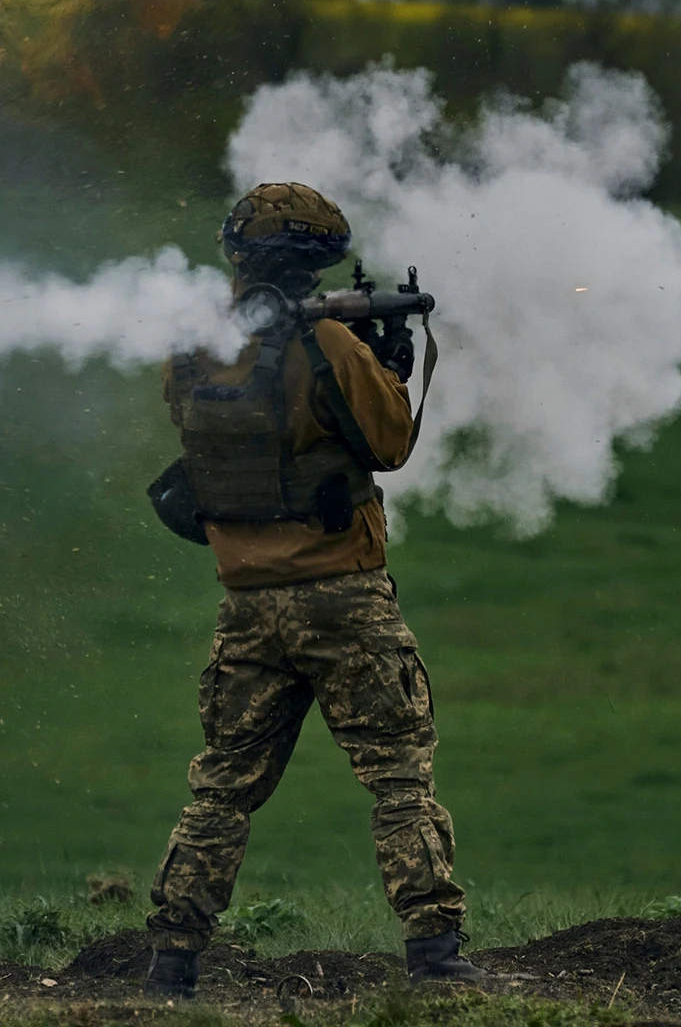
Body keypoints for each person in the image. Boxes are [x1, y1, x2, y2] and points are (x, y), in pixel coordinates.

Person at [141, 183, 486, 999]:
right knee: (400, 776)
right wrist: (386, 363)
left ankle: (171, 961)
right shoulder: (329, 340)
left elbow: (206, 429)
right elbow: (390, 442)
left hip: (247, 603)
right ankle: (435, 954)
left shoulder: (192, 344)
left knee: (222, 787)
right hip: (342, 597)